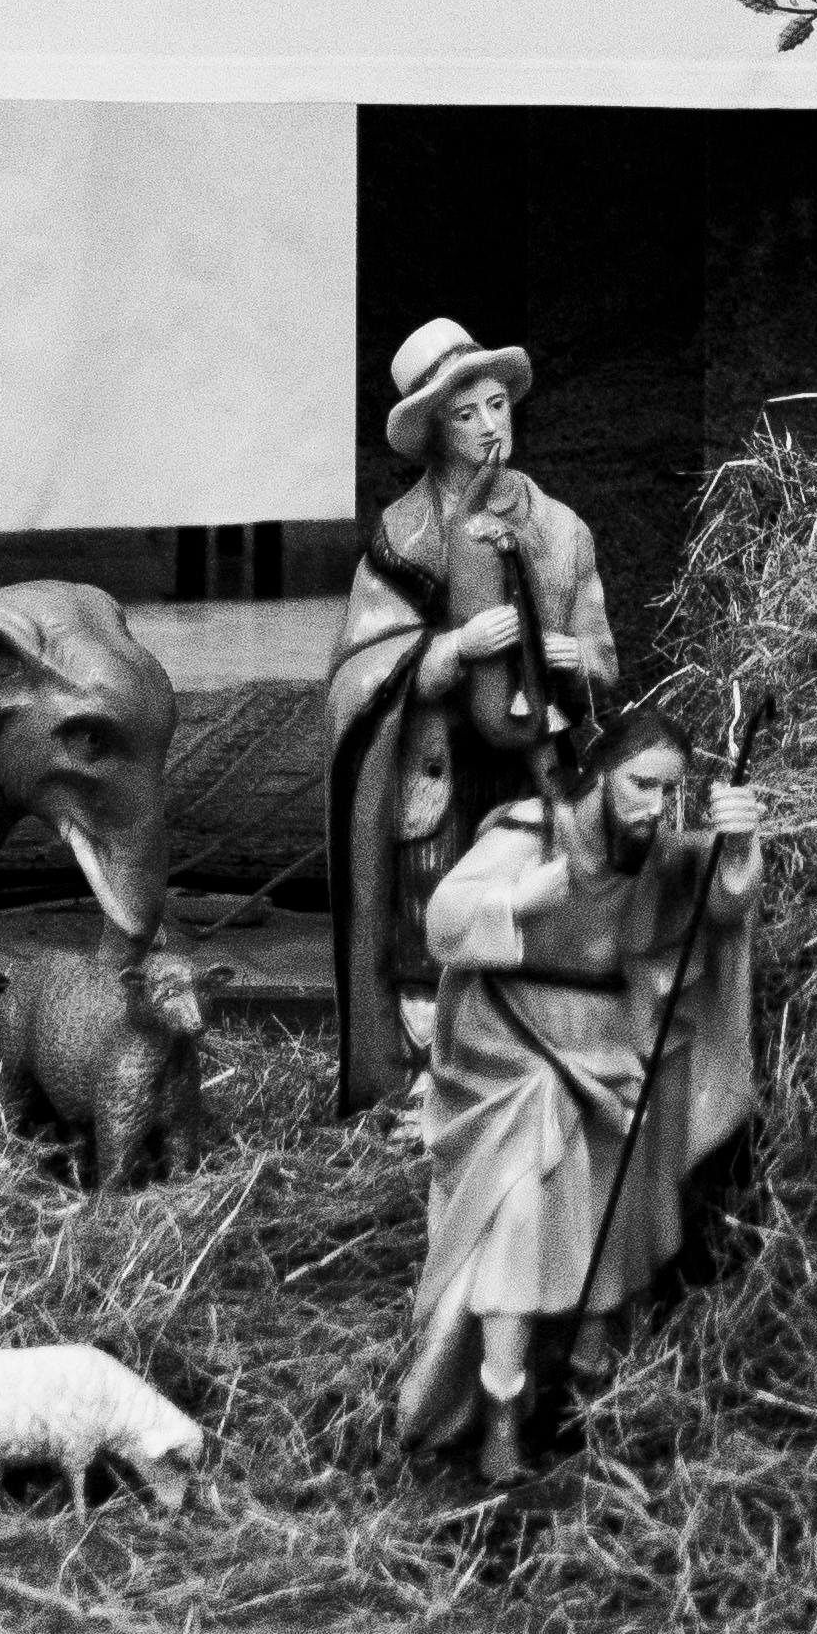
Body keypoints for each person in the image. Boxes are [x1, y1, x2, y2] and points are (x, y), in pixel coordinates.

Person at [392, 716, 765, 1491]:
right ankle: (498, 1424)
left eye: (671, 792)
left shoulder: (653, 855)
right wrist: (524, 898)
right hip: (517, 1059)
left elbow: (718, 906)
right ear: (599, 774)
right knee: (517, 1233)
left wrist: (734, 845)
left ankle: (588, 1395)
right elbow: (444, 926)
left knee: (609, 1235)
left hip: (611, 1059)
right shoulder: (533, 833)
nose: (656, 808)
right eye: (641, 786)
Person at [324, 319, 615, 1115]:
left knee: (527, 909)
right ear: (434, 436)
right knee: (430, 922)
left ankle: (520, 1068)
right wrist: (447, 653)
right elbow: (357, 673)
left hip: (529, 767)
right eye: (466, 415)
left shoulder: (559, 530)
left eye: (497, 405)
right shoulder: (401, 541)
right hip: (435, 774)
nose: (491, 426)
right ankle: (427, 1078)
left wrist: (567, 657)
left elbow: (602, 661)